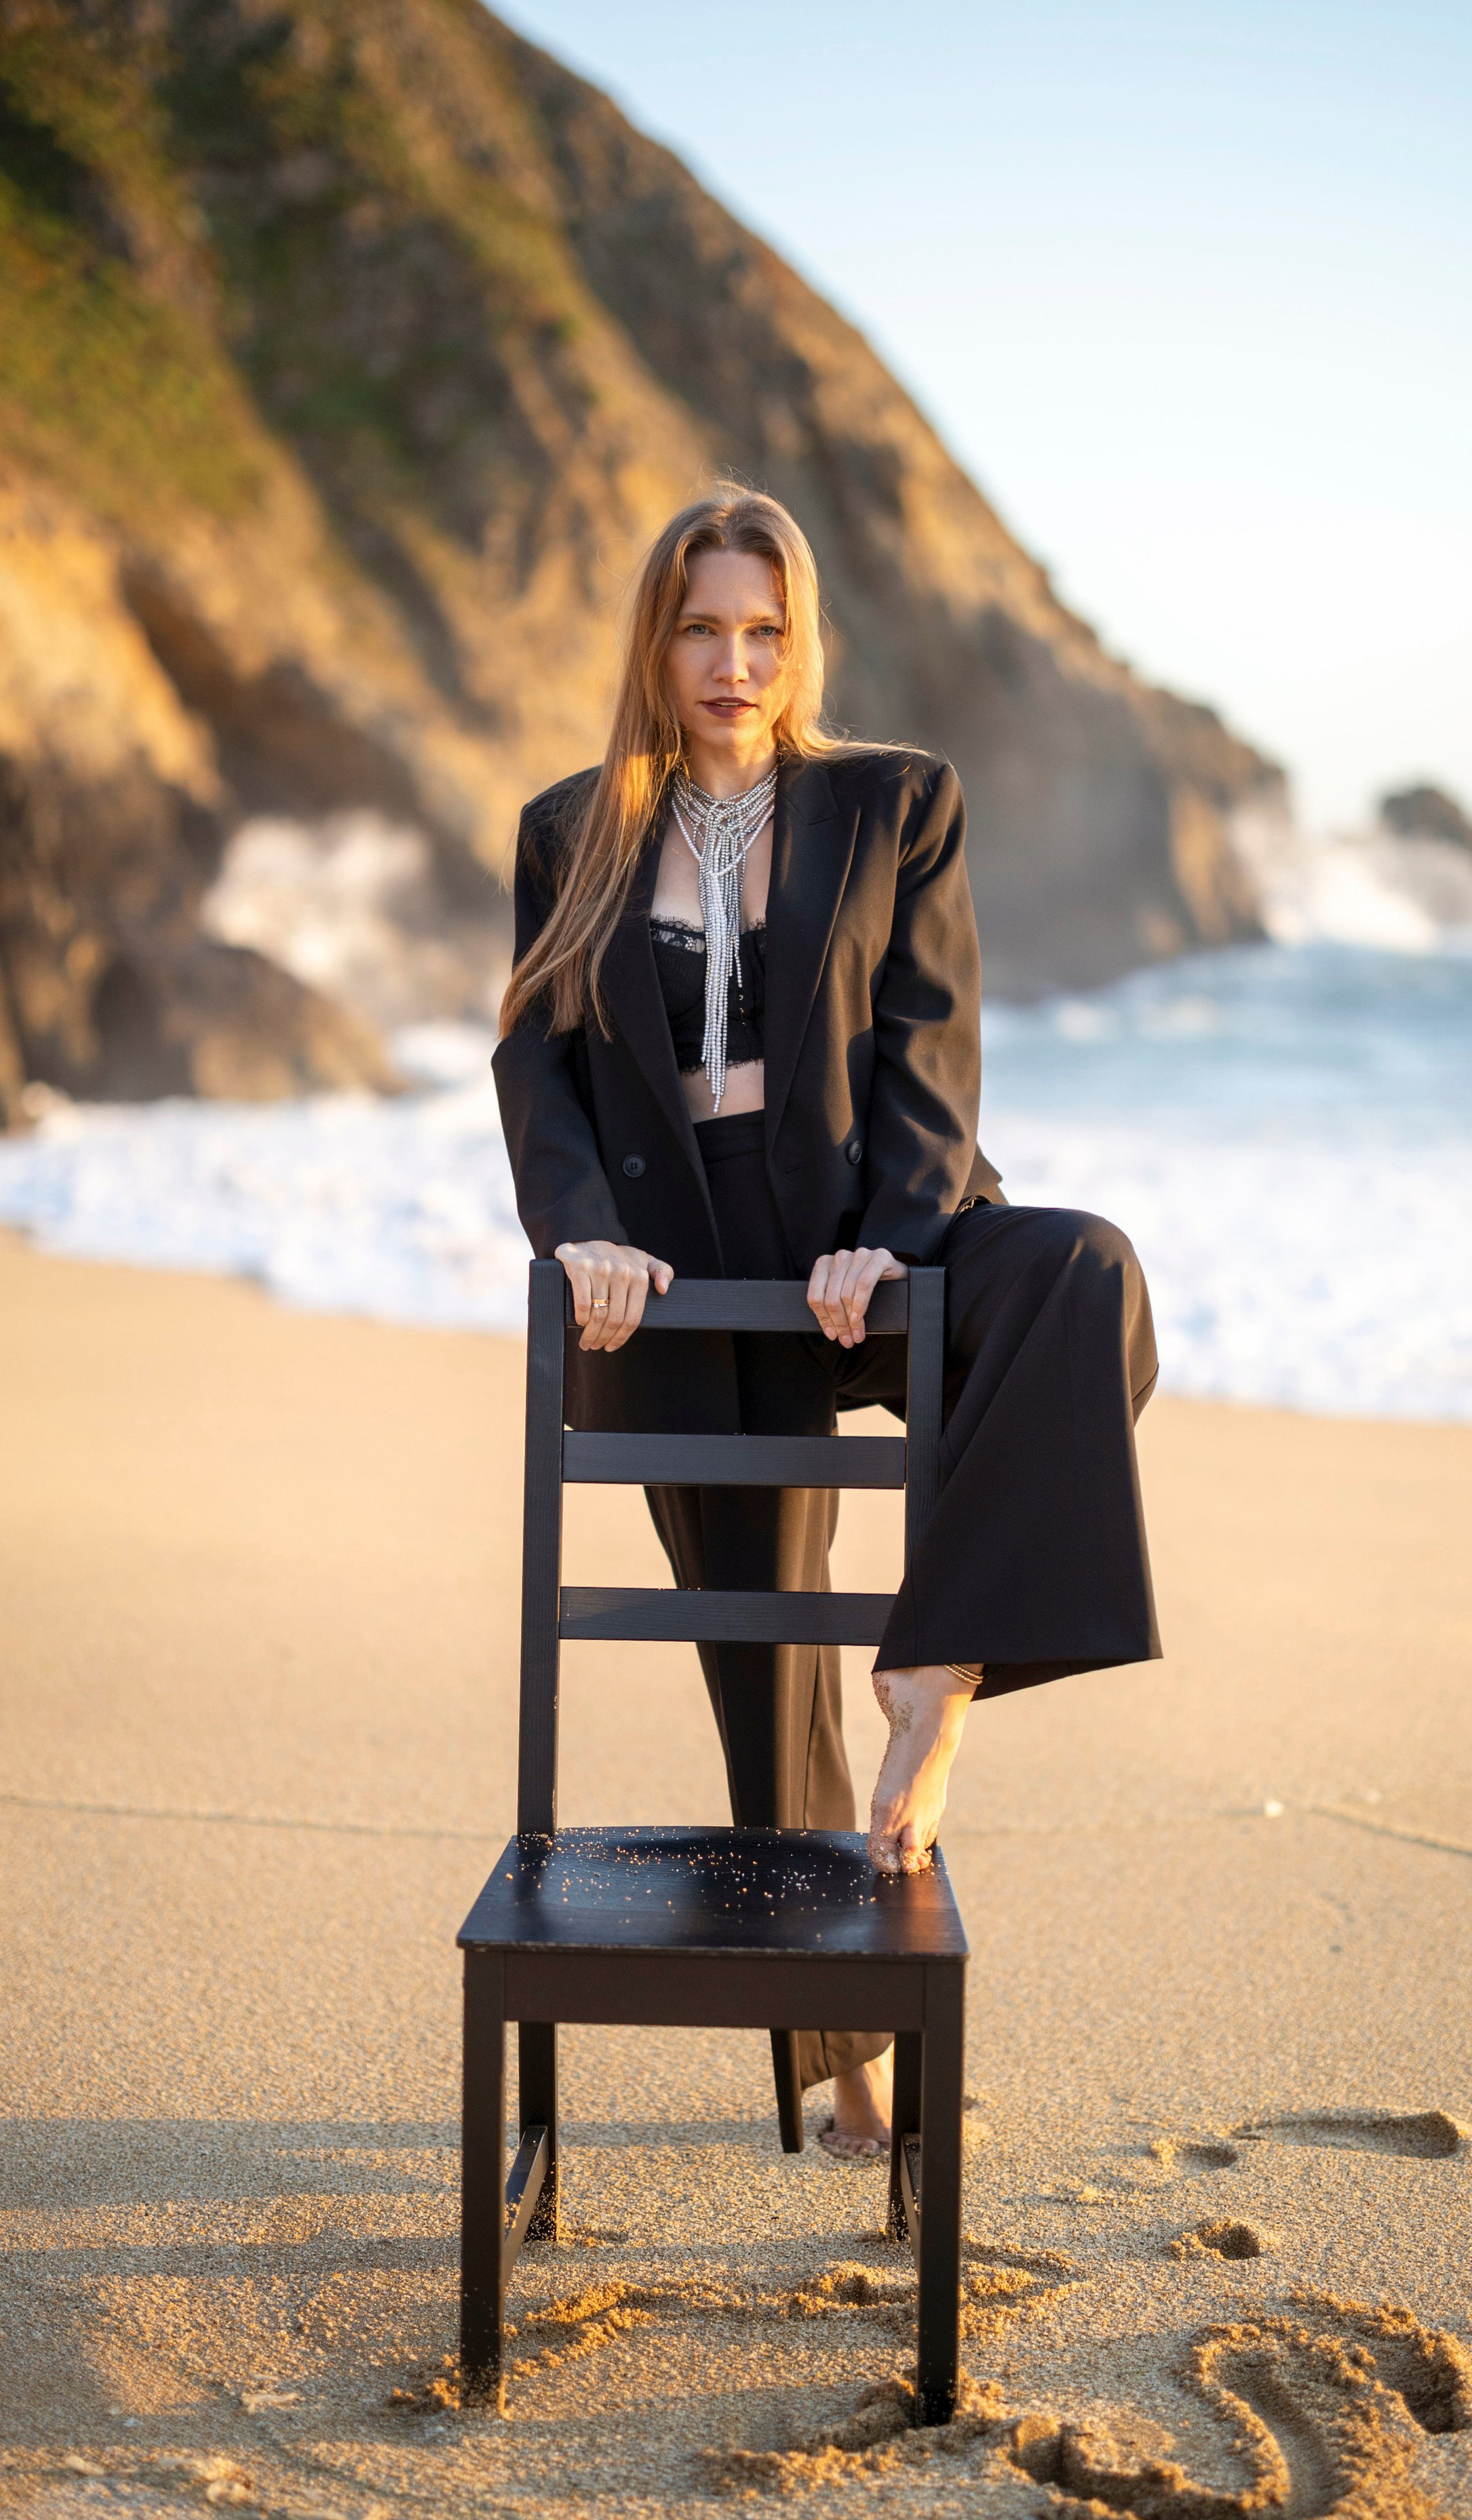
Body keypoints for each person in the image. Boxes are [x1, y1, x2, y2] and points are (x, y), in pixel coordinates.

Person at [495, 486, 1160, 2159]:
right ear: (654, 639)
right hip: (675, 1272)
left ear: (800, 644)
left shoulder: (892, 804)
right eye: (701, 628)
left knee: (1083, 1277)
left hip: (862, 1251)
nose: (733, 663)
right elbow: (539, 1069)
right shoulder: (567, 831)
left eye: (764, 631)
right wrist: (584, 1238)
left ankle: (940, 1660)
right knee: (758, 1672)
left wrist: (892, 1239)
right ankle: (843, 2068)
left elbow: (930, 1042)